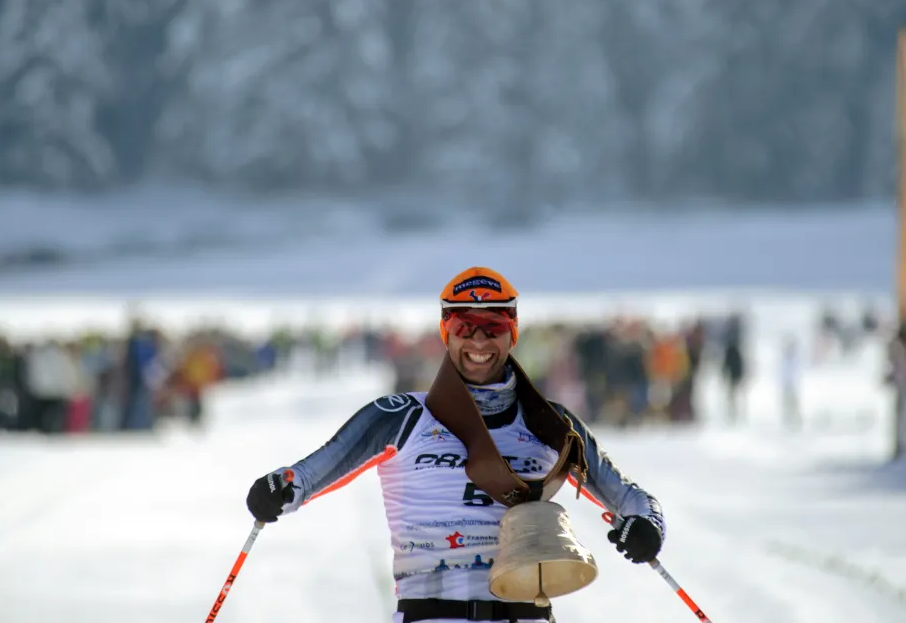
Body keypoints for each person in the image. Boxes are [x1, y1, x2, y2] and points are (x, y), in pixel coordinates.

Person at [246, 267, 666, 623]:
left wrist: (646, 530)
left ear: (512, 333)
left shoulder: (553, 425)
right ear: (446, 333)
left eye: (494, 328)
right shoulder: (400, 417)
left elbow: (634, 500)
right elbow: (307, 475)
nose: (479, 343)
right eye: (465, 327)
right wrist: (277, 488)